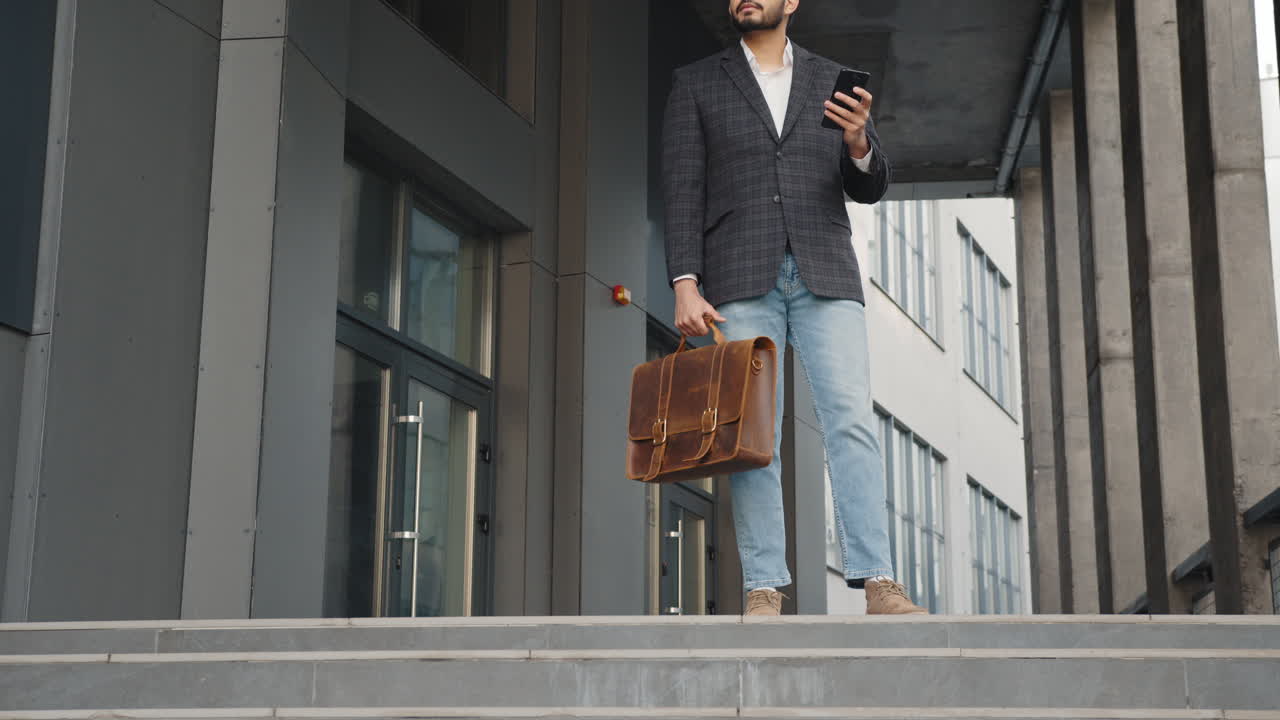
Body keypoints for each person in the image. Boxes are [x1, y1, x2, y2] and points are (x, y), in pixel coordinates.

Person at [661, 0, 927, 616]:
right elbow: (681, 187)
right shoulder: (696, 83)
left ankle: (878, 580)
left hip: (825, 269)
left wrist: (858, 141)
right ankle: (763, 585)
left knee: (851, 421)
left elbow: (870, 186)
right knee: (754, 433)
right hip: (737, 271)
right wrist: (684, 282)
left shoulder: (831, 80)